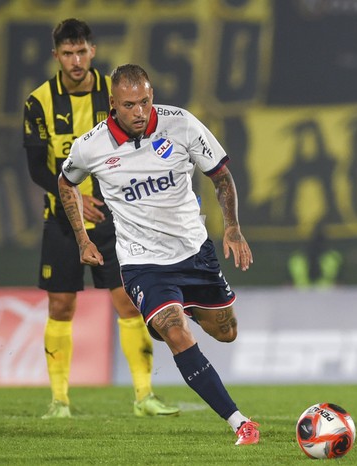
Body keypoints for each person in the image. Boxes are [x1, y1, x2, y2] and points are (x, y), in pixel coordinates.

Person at [57, 64, 260, 446]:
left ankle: (182, 310)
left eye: (145, 102)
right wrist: (82, 238)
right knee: (175, 329)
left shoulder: (181, 124)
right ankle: (240, 422)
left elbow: (220, 176)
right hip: (142, 263)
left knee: (226, 333)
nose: (139, 112)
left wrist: (232, 227)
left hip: (194, 251)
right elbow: (66, 183)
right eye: (130, 105)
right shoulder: (90, 146)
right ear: (112, 104)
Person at [23, 19, 179, 419]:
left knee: (128, 302)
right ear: (56, 56)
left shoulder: (114, 98)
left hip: (113, 218)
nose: (76, 61)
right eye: (67, 53)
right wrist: (73, 196)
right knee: (60, 306)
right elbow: (37, 169)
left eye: (82, 52)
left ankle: (144, 396)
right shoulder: (38, 102)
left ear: (93, 51)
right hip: (61, 218)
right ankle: (59, 401)